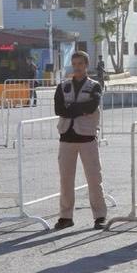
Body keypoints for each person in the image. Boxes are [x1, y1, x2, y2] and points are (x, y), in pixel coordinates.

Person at [52, 51, 107, 230]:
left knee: (94, 178)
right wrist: (80, 109)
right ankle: (65, 216)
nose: (77, 67)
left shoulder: (94, 86)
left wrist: (72, 108)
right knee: (66, 180)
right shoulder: (63, 86)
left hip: (87, 138)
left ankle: (100, 216)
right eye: (74, 63)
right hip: (66, 138)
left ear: (86, 65)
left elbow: (92, 106)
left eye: (80, 64)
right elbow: (59, 109)